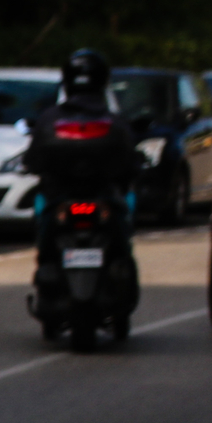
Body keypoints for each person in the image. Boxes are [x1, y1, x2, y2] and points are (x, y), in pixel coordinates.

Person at [26, 48, 141, 325]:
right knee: (123, 232)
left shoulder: (49, 120)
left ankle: (49, 278)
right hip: (103, 200)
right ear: (103, 81)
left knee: (44, 227)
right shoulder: (116, 123)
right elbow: (131, 162)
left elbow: (32, 160)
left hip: (61, 201)